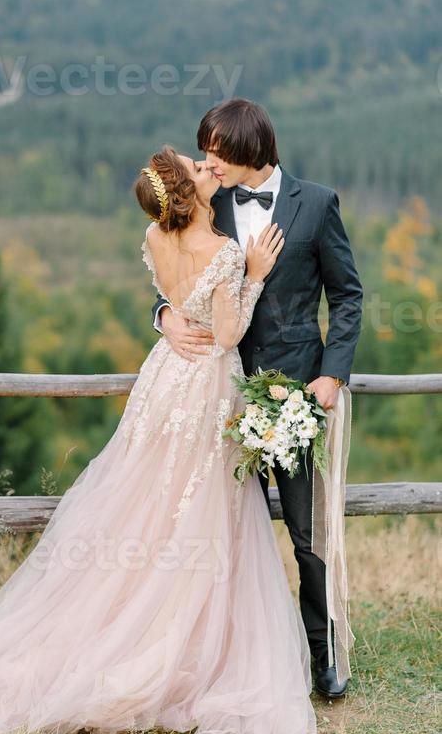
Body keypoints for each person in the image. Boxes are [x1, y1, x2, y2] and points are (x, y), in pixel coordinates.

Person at [0, 146, 318, 734]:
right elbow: (229, 335)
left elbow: (175, 303)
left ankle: (151, 629)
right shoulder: (227, 251)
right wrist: (253, 274)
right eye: (197, 166)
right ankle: (177, 647)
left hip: (162, 385)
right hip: (205, 387)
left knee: (147, 510)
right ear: (187, 191)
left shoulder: (156, 235)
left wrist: (166, 316)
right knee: (196, 514)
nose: (209, 168)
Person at [153, 99, 363, 698]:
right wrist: (163, 314)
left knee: (307, 533)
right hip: (217, 396)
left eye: (217, 149)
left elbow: (347, 296)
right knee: (218, 530)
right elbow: (172, 274)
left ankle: (321, 656)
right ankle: (221, 660)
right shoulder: (204, 202)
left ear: (250, 149)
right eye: (206, 148)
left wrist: (333, 374)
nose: (207, 159)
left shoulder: (317, 204)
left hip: (297, 391)